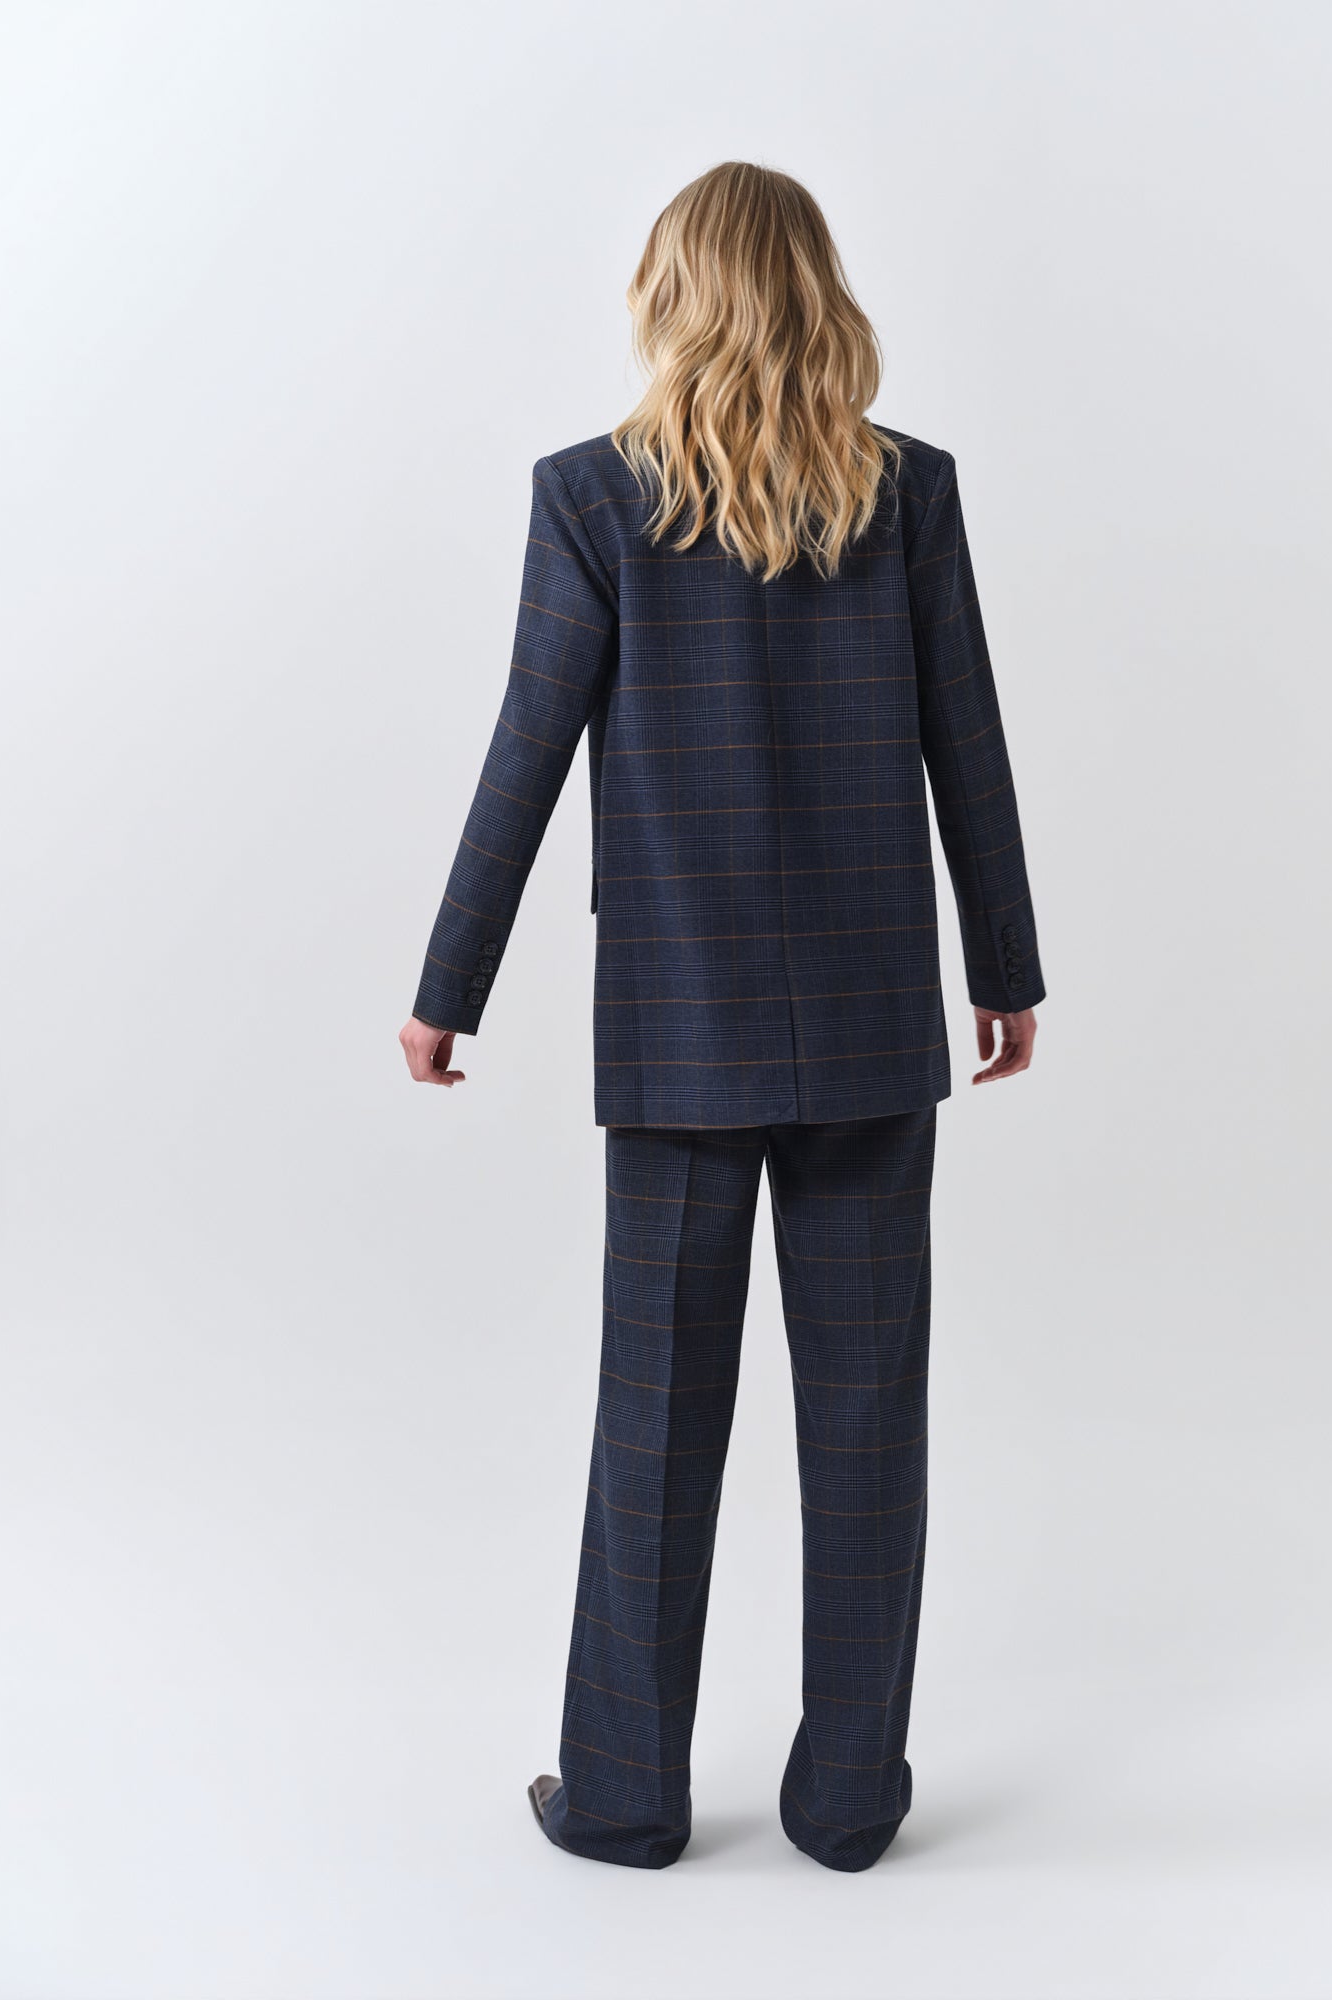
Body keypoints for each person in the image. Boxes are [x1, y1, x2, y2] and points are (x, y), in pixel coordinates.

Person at [398, 160, 1046, 1873]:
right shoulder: (907, 492)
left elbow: (526, 748)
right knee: (869, 1420)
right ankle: (849, 1803)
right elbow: (968, 740)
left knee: (656, 1423)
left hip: (679, 1030)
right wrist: (1005, 967)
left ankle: (623, 1798)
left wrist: (447, 990)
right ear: (820, 288)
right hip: (871, 1026)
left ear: (669, 291)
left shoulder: (593, 499)